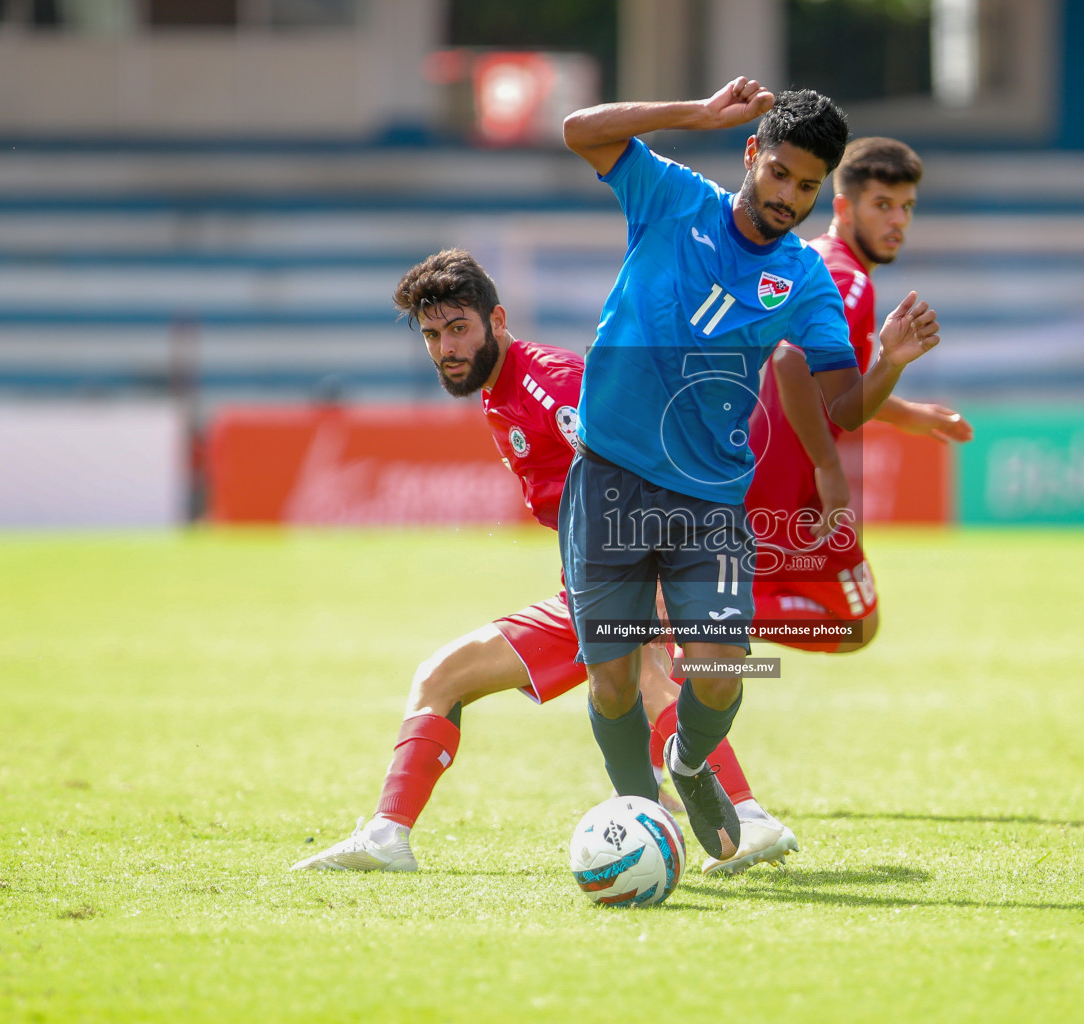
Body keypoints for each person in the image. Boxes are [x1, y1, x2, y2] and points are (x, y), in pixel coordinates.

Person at [291, 249, 792, 872]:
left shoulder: (547, 383)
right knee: (440, 677)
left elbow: (645, 454)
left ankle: (744, 817)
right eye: (432, 334)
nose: (445, 347)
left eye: (458, 329)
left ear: (496, 320)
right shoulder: (497, 391)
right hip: (589, 587)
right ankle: (387, 836)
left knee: (649, 676)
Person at [559, 79, 943, 865]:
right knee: (611, 682)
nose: (788, 197)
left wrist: (892, 364)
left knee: (721, 672)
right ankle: (639, 814)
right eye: (778, 175)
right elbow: (577, 129)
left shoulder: (806, 279)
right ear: (751, 155)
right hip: (608, 479)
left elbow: (842, 406)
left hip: (709, 499)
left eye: (806, 186)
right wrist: (693, 112)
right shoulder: (671, 197)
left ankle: (690, 766)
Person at [644, 138, 975, 873]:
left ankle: (691, 644)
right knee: (854, 621)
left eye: (908, 208)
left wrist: (909, 411)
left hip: (753, 486)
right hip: (776, 492)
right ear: (845, 205)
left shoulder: (826, 268)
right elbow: (796, 361)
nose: (898, 222)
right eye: (883, 206)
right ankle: (698, 641)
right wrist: (828, 465)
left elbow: (836, 379)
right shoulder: (845, 279)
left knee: (844, 623)